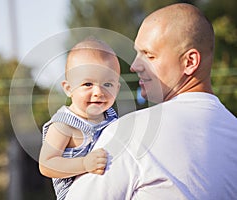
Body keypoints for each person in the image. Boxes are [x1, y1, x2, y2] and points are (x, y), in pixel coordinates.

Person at [65, 3, 237, 200]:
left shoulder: (130, 133)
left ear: (189, 62)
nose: (135, 65)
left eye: (149, 55)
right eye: (137, 53)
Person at [39, 38, 121, 200]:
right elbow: (46, 164)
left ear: (117, 88)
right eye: (87, 84)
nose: (98, 92)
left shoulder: (111, 117)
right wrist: (84, 164)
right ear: (69, 89)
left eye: (108, 84)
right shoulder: (64, 125)